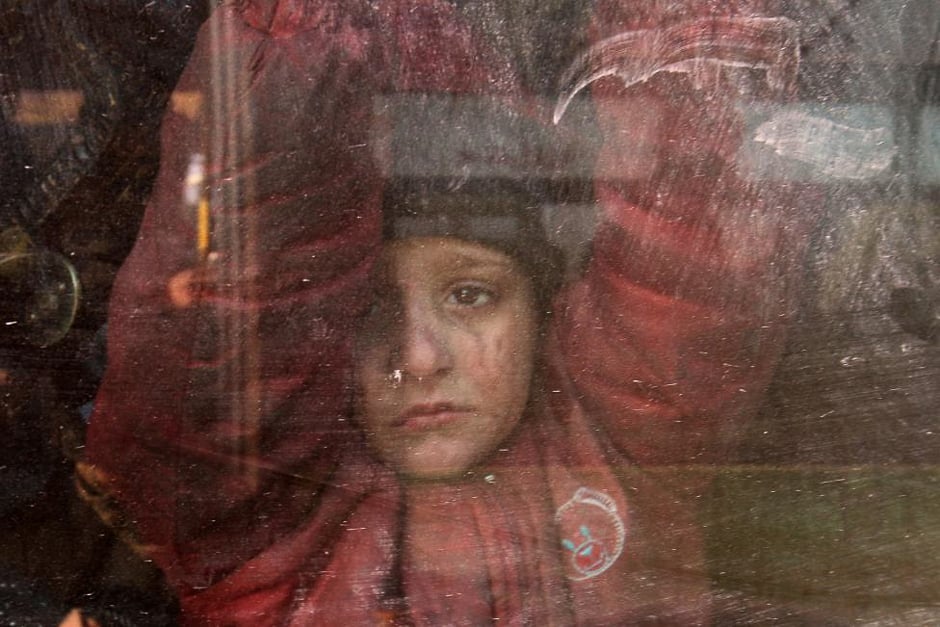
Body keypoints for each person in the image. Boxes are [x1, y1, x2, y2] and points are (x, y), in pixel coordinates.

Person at [80, 0, 810, 623]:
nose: (420, 357)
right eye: (369, 310)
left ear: (545, 309)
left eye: (471, 294)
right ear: (315, 335)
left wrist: (674, 45)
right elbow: (225, 313)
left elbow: (686, 241)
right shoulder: (262, 516)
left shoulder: (612, 447)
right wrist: (296, 35)